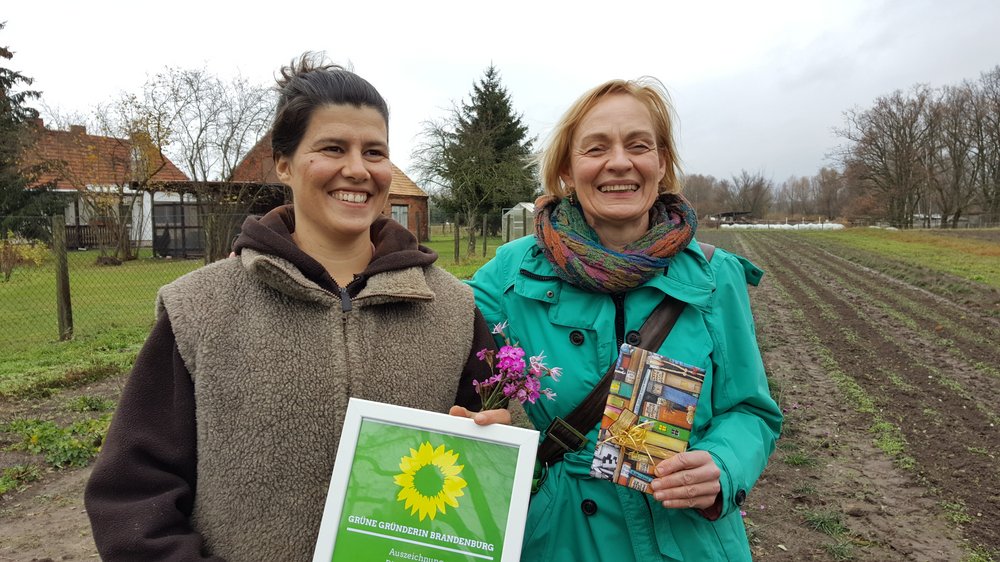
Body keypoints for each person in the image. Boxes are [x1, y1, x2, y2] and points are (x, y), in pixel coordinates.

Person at [84, 53, 502, 561]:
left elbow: (489, 470)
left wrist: (500, 443)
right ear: (282, 163)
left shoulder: (453, 310)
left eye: (375, 152)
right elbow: (133, 494)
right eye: (332, 148)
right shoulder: (200, 308)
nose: (357, 169)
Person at [466, 78, 783, 561]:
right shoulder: (509, 274)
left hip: (684, 540)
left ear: (661, 164)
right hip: (557, 539)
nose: (619, 161)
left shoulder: (715, 276)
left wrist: (722, 464)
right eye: (596, 148)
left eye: (639, 145)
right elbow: (446, 356)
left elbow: (752, 410)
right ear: (567, 170)